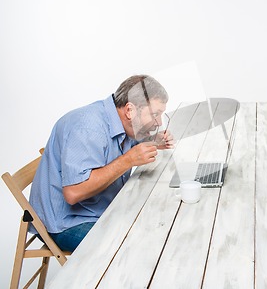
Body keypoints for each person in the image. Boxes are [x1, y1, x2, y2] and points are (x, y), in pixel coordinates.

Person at [30, 75, 174, 252]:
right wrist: (128, 160)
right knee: (135, 248)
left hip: (99, 208)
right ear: (130, 110)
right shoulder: (87, 128)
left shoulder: (118, 119)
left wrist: (153, 139)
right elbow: (73, 192)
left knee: (160, 225)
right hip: (68, 222)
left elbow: (119, 145)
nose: (159, 122)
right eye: (155, 115)